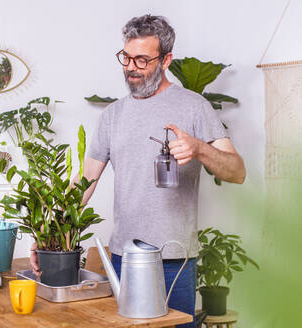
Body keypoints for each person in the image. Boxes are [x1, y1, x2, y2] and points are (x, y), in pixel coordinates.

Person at [31, 14, 245, 327]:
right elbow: (84, 183)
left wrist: (200, 148)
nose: (131, 67)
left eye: (142, 60)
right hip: (124, 259)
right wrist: (49, 233)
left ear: (167, 59)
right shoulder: (113, 115)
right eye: (126, 57)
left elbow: (237, 171)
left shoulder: (194, 106)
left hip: (175, 261)